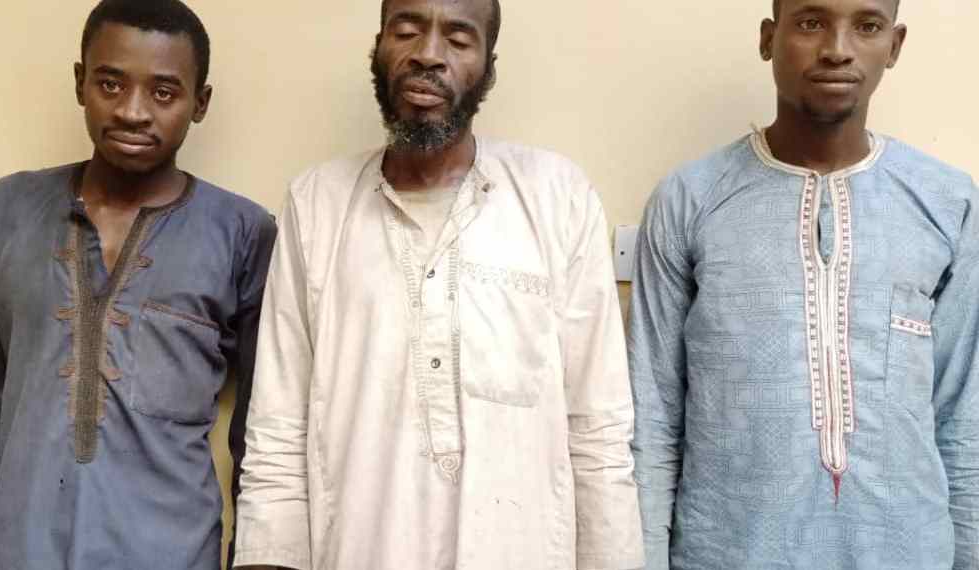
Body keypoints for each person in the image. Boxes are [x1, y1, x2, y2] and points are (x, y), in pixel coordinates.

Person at [232, 0, 643, 568]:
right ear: (378, 48)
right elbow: (278, 428)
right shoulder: (316, 204)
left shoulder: (558, 197)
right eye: (406, 31)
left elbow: (599, 430)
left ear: (488, 67)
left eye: (458, 38)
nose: (427, 54)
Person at [0, 1, 276, 568]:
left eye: (163, 92)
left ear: (200, 102)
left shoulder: (243, 234)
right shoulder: (6, 212)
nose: (133, 111)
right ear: (80, 82)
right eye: (111, 83)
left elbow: (266, 434)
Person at [630, 0, 979, 568]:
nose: (837, 49)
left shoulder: (949, 204)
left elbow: (965, 416)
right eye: (811, 22)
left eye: (867, 26)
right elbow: (653, 415)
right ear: (769, 38)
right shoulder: (689, 200)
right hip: (728, 553)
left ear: (894, 46)